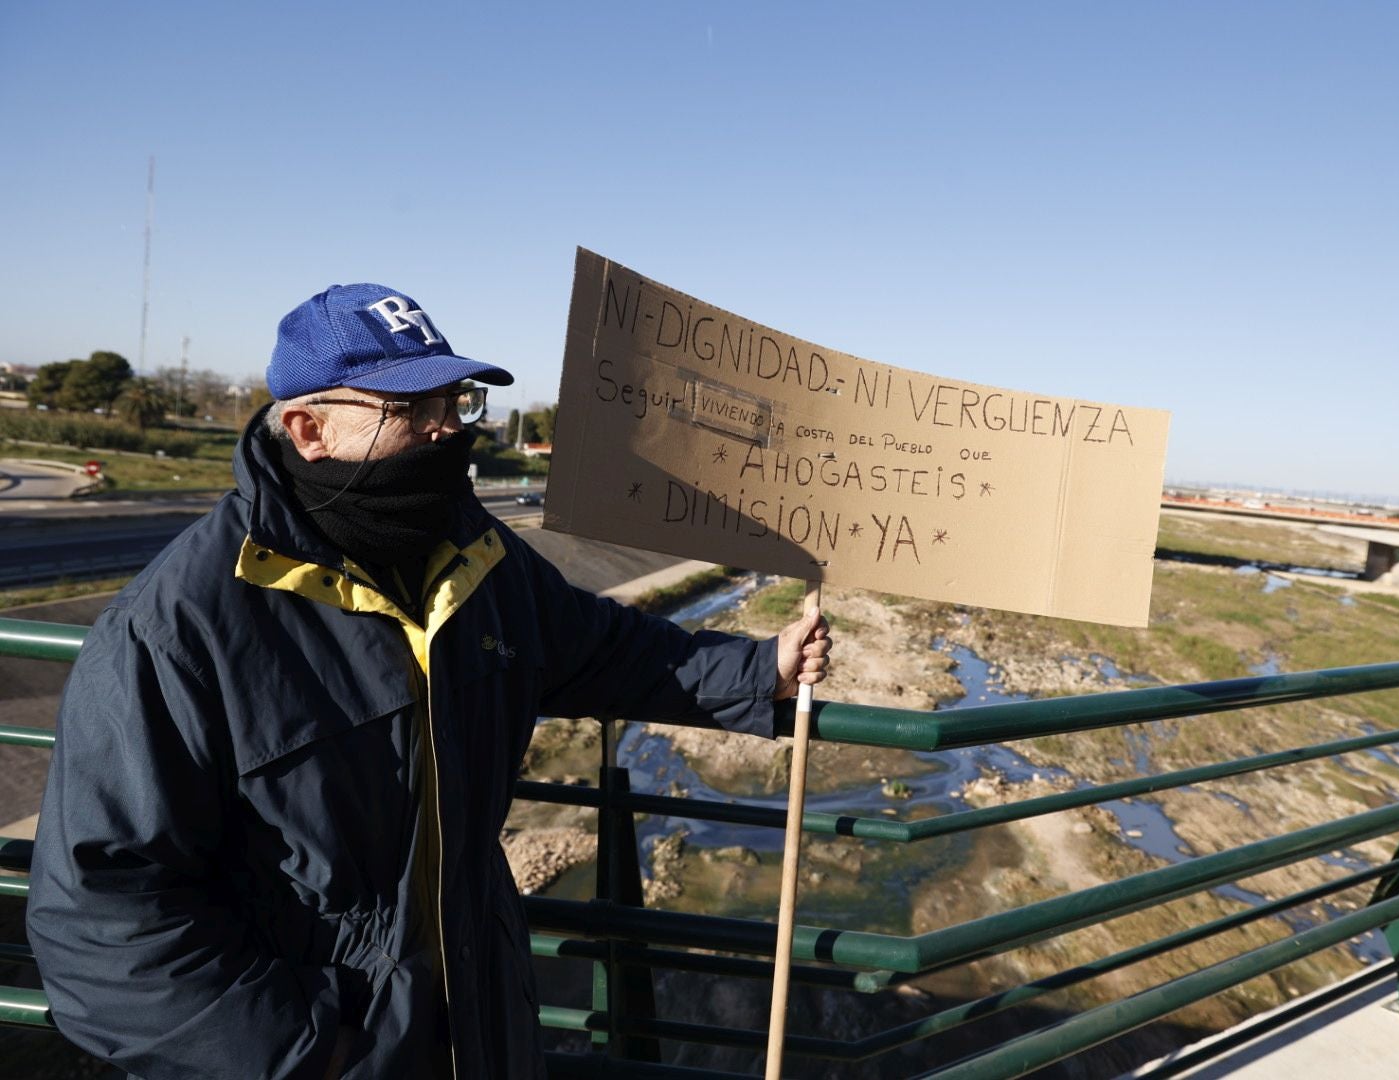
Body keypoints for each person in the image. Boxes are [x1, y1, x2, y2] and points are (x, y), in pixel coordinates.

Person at [25, 283, 832, 1079]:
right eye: (412, 409)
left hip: (480, 1026)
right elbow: (101, 913)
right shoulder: (178, 627)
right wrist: (305, 1050)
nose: (449, 429)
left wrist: (762, 670)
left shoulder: (477, 556)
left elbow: (605, 647)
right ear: (309, 429)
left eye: (457, 399)